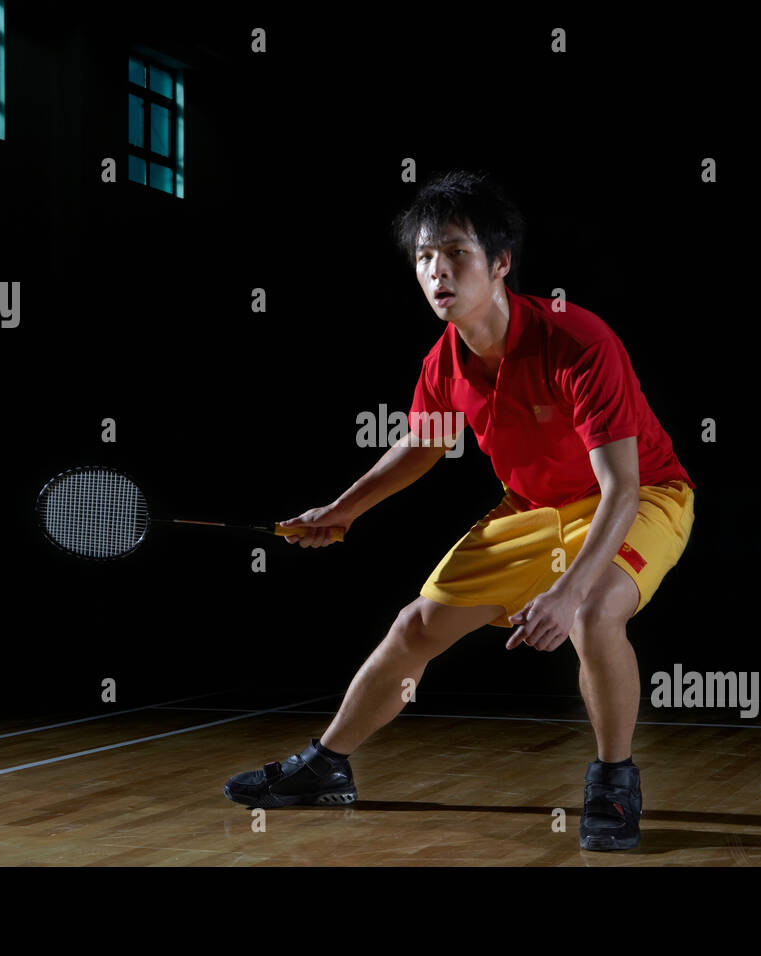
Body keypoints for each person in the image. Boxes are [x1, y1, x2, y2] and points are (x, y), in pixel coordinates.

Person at [224, 170, 695, 851]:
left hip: (644, 495)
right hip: (533, 506)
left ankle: (614, 784)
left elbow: (621, 488)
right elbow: (422, 444)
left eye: (456, 253)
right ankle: (324, 766)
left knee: (594, 612)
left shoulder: (577, 341)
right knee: (415, 625)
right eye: (423, 257)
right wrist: (341, 509)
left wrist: (564, 593)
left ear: (501, 263)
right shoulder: (444, 361)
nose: (437, 271)